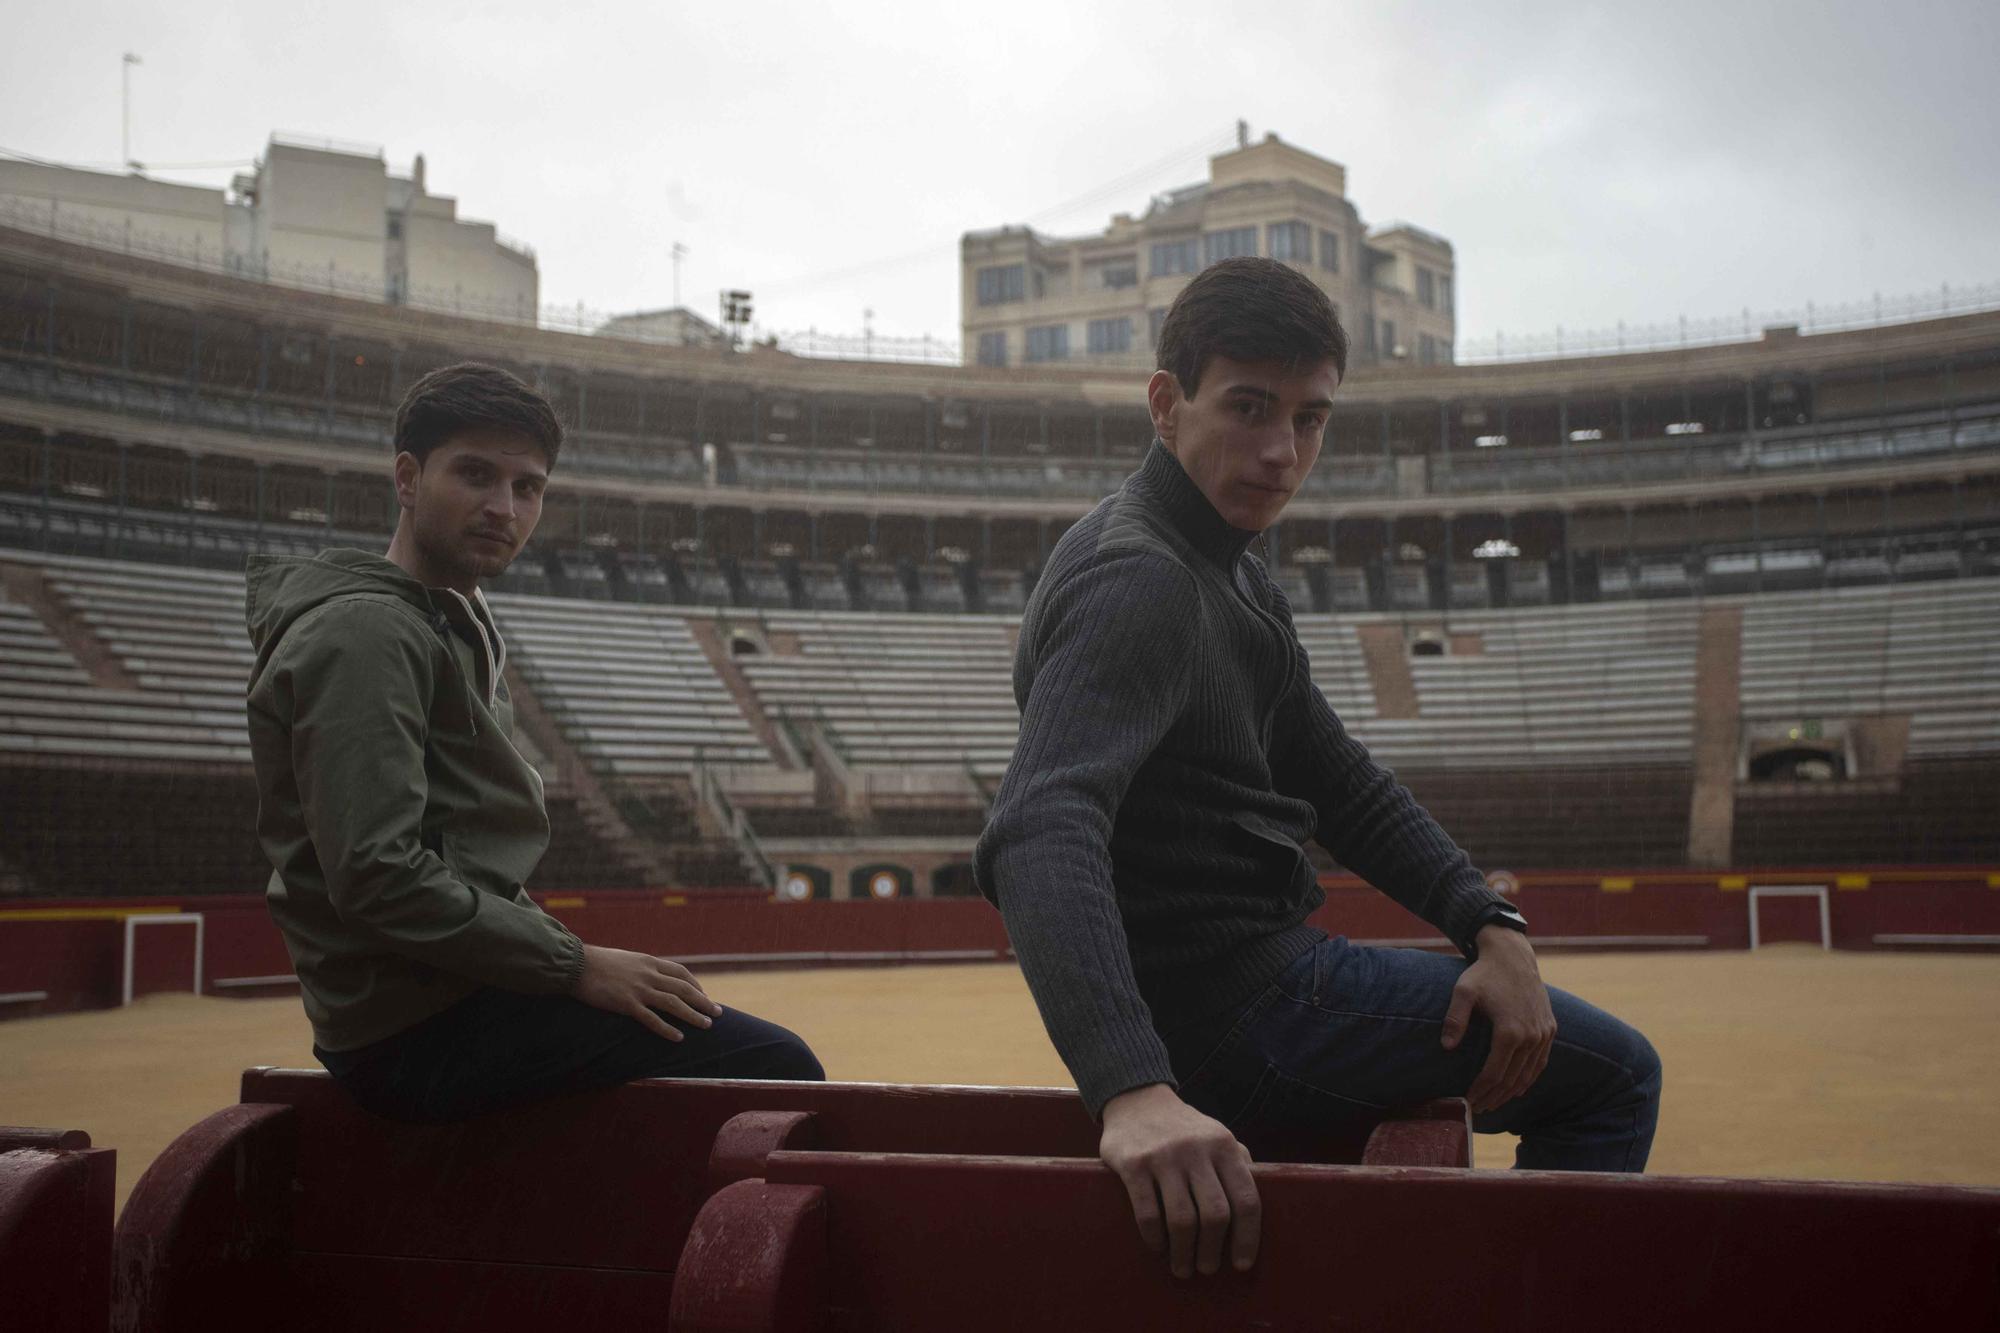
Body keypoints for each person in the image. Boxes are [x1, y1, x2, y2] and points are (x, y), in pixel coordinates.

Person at [973, 259, 1661, 1280]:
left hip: (1239, 997)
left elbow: (1334, 773)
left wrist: (1486, 919)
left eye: (1309, 418)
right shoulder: (1144, 577)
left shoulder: (1223, 562)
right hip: (1243, 1016)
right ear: (1165, 403)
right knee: (1614, 1075)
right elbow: (1038, 826)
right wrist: (1129, 1088)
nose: (1279, 452)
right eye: (1248, 407)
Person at [245, 362, 822, 1122]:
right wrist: (575, 964)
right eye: (476, 474)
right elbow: (378, 874)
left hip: (436, 999)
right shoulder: (369, 632)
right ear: (408, 477)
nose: (502, 506)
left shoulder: (442, 619)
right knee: (777, 1064)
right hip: (416, 1029)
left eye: (528, 487)